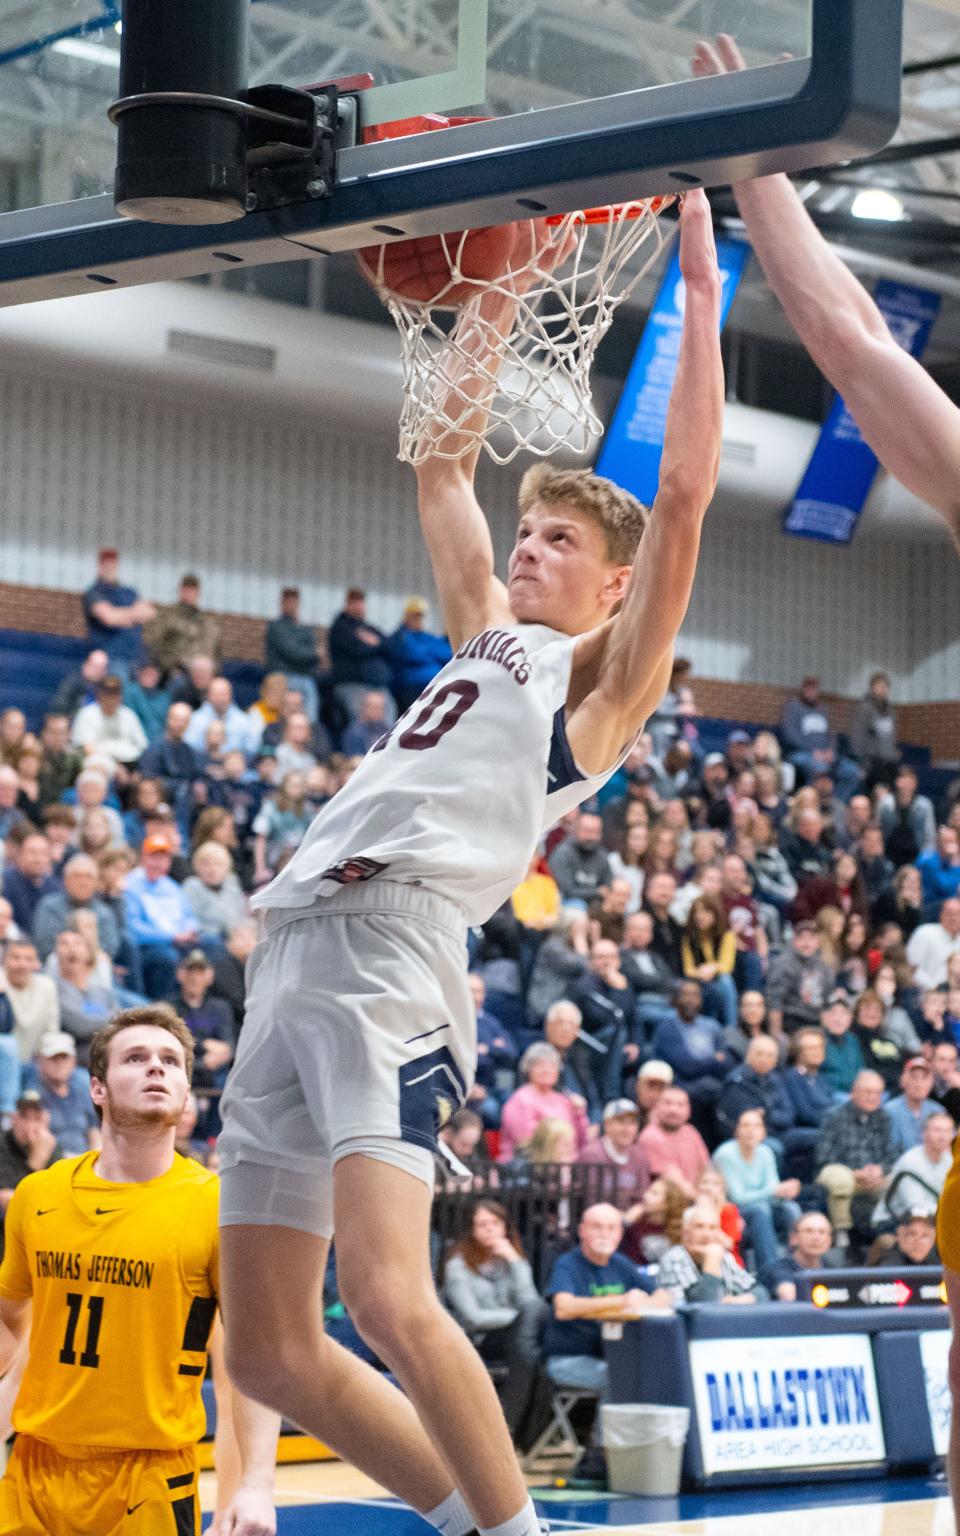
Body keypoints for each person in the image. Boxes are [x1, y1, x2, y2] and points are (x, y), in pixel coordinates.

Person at [214, 193, 724, 1536]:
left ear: (615, 587)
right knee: (267, 1348)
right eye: (535, 531)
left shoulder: (599, 686)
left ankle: (518, 1534)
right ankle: (470, 1519)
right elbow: (444, 466)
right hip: (296, 949)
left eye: (563, 541)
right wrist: (506, 274)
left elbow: (681, 494)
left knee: (386, 1293)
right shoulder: (482, 640)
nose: (533, 546)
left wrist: (706, 283)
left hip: (396, 952)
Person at [0, 1006, 278, 1534]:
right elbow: (13, 1323)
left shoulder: (219, 1208)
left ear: (186, 1091)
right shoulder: (37, 1195)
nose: (157, 1068)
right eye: (137, 1057)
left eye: (171, 1061)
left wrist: (256, 1485)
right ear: (98, 1088)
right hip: (34, 1469)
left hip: (147, 1477)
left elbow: (251, 1360)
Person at [542, 1203, 672, 1452]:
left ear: (619, 1235)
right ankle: (602, 1452)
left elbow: (664, 1296)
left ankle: (644, 1450)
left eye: (611, 1228)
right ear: (582, 1231)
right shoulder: (568, 1264)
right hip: (569, 1360)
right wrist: (621, 1300)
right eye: (597, 1227)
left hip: (612, 1355)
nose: (604, 1233)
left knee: (644, 1373)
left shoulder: (621, 1264)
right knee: (619, 1378)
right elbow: (563, 1307)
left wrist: (644, 1301)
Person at [442, 1201, 546, 1441]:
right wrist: (519, 1319)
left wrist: (515, 1262)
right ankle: (515, 1428)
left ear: (506, 1228)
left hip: (516, 1338)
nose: (489, 1230)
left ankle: (516, 1426)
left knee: (532, 1348)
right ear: (471, 1230)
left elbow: (530, 1301)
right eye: (482, 1224)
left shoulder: (512, 1260)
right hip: (479, 1339)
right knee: (530, 1345)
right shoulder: (457, 1266)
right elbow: (473, 1317)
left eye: (495, 1224)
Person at [712, 1108, 802, 1274]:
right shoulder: (725, 1154)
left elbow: (773, 1192)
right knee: (760, 1210)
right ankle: (771, 1271)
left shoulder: (766, 1153)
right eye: (746, 1125)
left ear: (763, 1132)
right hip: (732, 1211)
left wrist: (785, 1193)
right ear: (737, 1131)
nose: (751, 1131)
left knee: (791, 1208)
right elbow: (737, 1197)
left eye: (756, 1126)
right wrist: (774, 1191)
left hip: (762, 1206)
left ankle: (797, 1265)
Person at [815, 1071, 895, 1245]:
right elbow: (824, 1157)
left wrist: (880, 1170)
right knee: (840, 1178)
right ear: (854, 1092)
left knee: (898, 1180)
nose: (873, 1097)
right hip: (842, 1172)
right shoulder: (834, 1115)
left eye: (877, 1093)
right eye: (868, 1092)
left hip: (874, 1177)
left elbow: (891, 1155)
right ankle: (841, 1234)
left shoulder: (884, 1117)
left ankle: (889, 1232)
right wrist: (855, 1172)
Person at [123, 833, 203, 999]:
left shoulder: (172, 887)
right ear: (143, 858)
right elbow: (133, 928)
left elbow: (190, 917)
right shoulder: (130, 885)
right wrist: (171, 937)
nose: (158, 863)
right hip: (149, 947)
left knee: (210, 944)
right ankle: (163, 1006)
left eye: (163, 858)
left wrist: (191, 930)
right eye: (153, 857)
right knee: (168, 958)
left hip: (179, 941)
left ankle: (197, 1006)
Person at [498, 1043, 590, 1163]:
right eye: (540, 1065)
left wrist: (580, 1115)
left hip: (565, 1167)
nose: (547, 1070)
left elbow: (580, 1141)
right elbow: (526, 1142)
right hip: (530, 1167)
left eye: (552, 1065)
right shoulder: (520, 1099)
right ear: (528, 1069)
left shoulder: (564, 1100)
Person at [658, 1202, 764, 1304]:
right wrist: (712, 1261)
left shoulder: (723, 1257)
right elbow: (703, 1307)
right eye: (699, 1226)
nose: (706, 1234)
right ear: (686, 1233)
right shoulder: (673, 1258)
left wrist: (744, 1299)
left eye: (712, 1228)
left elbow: (761, 1293)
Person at [0, 1091, 61, 1258]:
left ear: (46, 1121)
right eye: (24, 1117)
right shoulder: (2, 1145)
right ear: (14, 1119)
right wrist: (36, 1162)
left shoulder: (52, 1147)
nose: (30, 1126)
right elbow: (9, 1202)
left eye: (37, 1118)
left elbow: (59, 1200)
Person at [21, 1031, 99, 1156]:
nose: (59, 1063)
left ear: (73, 1061)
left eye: (64, 1057)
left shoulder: (82, 1086)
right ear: (39, 1060)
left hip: (83, 1160)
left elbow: (94, 1131)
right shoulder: (31, 1091)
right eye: (53, 1057)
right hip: (51, 1163)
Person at [82, 549, 156, 679]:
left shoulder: (129, 591)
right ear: (100, 566)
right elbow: (109, 617)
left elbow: (150, 613)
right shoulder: (94, 593)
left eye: (113, 565)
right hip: (112, 658)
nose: (111, 568)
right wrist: (134, 614)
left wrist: (121, 615)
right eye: (107, 565)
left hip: (138, 656)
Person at [879, 1111, 954, 1225]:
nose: (942, 1136)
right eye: (937, 1130)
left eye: (947, 1131)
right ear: (924, 1133)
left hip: (933, 1220)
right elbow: (916, 1207)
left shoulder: (950, 1160)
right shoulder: (910, 1161)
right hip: (894, 1220)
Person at [577, 1098, 651, 1211]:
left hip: (630, 1220)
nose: (627, 1129)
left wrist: (632, 1215)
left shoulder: (639, 1155)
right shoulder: (592, 1155)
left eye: (632, 1123)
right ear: (607, 1125)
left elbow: (642, 1197)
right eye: (621, 1122)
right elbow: (590, 1200)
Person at [637, 1085, 710, 1197]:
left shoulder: (690, 1131)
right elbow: (675, 1183)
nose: (673, 1110)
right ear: (656, 1106)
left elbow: (706, 1169)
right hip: (670, 1205)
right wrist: (702, 1200)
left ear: (689, 1110)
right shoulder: (650, 1136)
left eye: (680, 1105)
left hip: (697, 1199)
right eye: (668, 1103)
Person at [144, 572, 222, 677]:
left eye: (193, 590)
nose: (189, 593)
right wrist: (169, 666)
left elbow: (217, 655)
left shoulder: (207, 623)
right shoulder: (167, 616)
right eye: (186, 589)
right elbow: (155, 644)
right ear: (180, 591)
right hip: (175, 671)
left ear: (198, 592)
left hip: (203, 674)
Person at [765, 921, 835, 1037]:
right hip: (792, 1021)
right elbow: (774, 1001)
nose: (806, 943)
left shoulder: (824, 967)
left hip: (816, 1022)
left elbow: (827, 1005)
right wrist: (776, 1034)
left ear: (818, 942)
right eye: (801, 938)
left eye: (811, 938)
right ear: (794, 941)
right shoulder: (782, 964)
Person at [387, 597, 453, 715]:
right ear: (406, 616)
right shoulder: (400, 637)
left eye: (420, 616)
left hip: (435, 686)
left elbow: (448, 653)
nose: (418, 619)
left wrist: (428, 652)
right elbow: (413, 654)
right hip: (411, 689)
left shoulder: (426, 637)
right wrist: (432, 654)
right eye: (414, 616)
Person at [264, 587, 321, 724]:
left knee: (309, 690)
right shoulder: (276, 626)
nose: (291, 605)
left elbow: (312, 656)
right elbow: (292, 652)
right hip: (282, 675)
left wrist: (308, 654)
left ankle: (308, 730)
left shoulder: (304, 628)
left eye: (294, 602)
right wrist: (311, 654)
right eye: (288, 602)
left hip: (304, 677)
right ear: (282, 603)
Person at [71, 675, 148, 773]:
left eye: (115, 694)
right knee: (97, 766)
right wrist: (115, 767)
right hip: (98, 761)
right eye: (108, 694)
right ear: (99, 695)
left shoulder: (128, 715)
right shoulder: (86, 714)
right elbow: (88, 749)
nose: (111, 699)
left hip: (129, 763)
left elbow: (143, 745)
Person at [0, 940, 59, 1064]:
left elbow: (52, 1031)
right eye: (15, 958)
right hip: (3, 1062)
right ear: (4, 960)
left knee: (78, 1079)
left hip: (37, 1062)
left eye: (28, 959)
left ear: (36, 964)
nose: (22, 964)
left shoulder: (47, 986)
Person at [759, 1212, 838, 1302]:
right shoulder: (777, 1268)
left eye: (822, 1232)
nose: (816, 1238)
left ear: (829, 1241)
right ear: (793, 1238)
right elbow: (789, 1297)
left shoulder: (833, 1270)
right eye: (809, 1231)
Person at [548, 810, 613, 909]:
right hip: (566, 905)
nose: (591, 837)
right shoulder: (563, 853)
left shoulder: (602, 855)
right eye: (587, 831)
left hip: (595, 905)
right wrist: (597, 892)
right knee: (578, 906)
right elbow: (567, 892)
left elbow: (608, 888)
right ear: (576, 830)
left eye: (595, 832)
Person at [2, 832, 59, 938]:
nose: (38, 859)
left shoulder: (55, 887)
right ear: (20, 854)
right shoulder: (5, 882)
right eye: (32, 852)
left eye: (43, 853)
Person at [849, 674, 899, 791]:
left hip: (890, 761)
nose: (883, 690)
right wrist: (862, 763)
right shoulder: (864, 708)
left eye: (886, 687)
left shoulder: (890, 711)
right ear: (872, 688)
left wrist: (895, 753)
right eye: (880, 686)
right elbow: (857, 737)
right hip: (872, 761)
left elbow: (892, 737)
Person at [885, 1056, 942, 1156]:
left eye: (924, 1078)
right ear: (903, 1081)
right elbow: (888, 1151)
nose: (919, 1084)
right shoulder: (889, 1110)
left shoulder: (938, 1111)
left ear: (931, 1083)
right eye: (914, 1077)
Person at [907, 898, 960, 991]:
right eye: (949, 913)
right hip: (927, 993)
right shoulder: (925, 932)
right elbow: (912, 967)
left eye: (957, 914)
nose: (953, 918)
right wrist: (936, 988)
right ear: (941, 914)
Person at [874, 1211, 940, 1269]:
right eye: (912, 1234)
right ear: (900, 1236)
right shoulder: (889, 1266)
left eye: (925, 1236)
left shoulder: (939, 1264)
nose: (918, 1241)